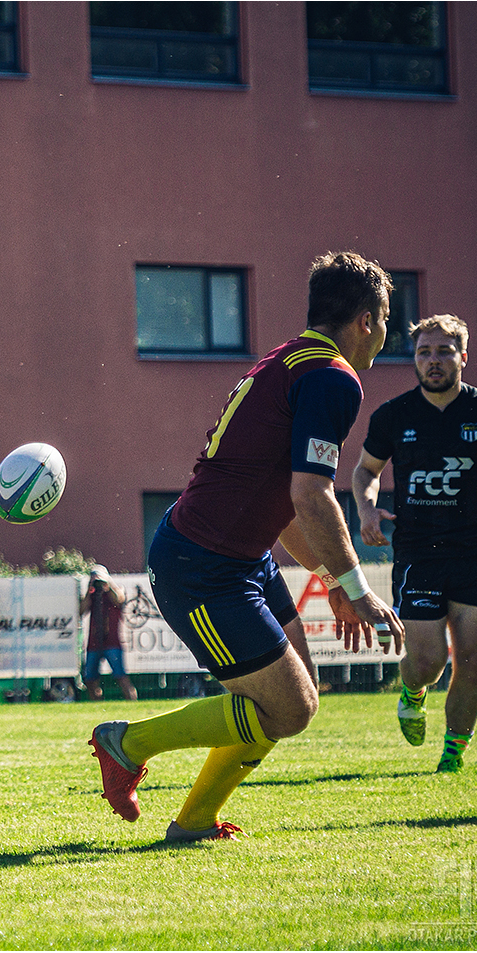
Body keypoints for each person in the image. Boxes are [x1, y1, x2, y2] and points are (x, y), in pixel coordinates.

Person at [88, 251, 405, 844]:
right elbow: (312, 496)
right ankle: (125, 744)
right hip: (203, 566)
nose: (387, 336)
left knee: (296, 697)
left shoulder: (293, 359)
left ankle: (195, 819)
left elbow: (286, 504)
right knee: (289, 708)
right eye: (387, 321)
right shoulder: (333, 377)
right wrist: (358, 589)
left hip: (238, 558)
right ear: (366, 320)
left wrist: (333, 581)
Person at [352, 314, 477, 772]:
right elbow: (365, 471)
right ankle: (413, 692)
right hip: (418, 553)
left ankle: (452, 756)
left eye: (444, 352)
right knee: (429, 661)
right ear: (414, 359)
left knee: (471, 660)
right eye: (424, 352)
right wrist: (368, 509)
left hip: (475, 553)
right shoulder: (394, 415)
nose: (433, 361)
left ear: (463, 357)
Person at [80, 565, 136, 701]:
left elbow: (119, 599)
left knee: (121, 676)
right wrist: (89, 589)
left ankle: (132, 703)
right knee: (90, 679)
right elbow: (81, 611)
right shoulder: (92, 596)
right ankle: (98, 704)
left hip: (112, 642)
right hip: (94, 642)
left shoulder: (114, 592)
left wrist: (108, 583)